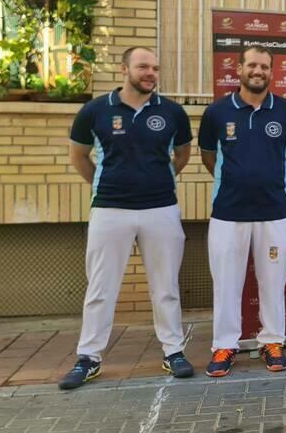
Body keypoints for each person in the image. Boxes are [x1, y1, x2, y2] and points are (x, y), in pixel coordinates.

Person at [61, 46, 194, 390]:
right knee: (101, 288)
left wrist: (157, 179)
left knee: (165, 287)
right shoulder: (95, 111)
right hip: (109, 209)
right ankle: (88, 357)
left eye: (155, 67)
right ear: (125, 69)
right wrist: (107, 184)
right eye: (143, 66)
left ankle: (173, 351)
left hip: (161, 209)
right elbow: (79, 156)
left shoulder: (172, 111)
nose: (150, 73)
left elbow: (182, 154)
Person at [198, 45, 286, 377]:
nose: (257, 71)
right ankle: (225, 345)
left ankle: (272, 342)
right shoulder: (217, 113)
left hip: (273, 213)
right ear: (240, 69)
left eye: (264, 67)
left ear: (272, 72)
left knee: (273, 282)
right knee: (227, 283)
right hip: (228, 214)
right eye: (252, 65)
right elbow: (208, 158)